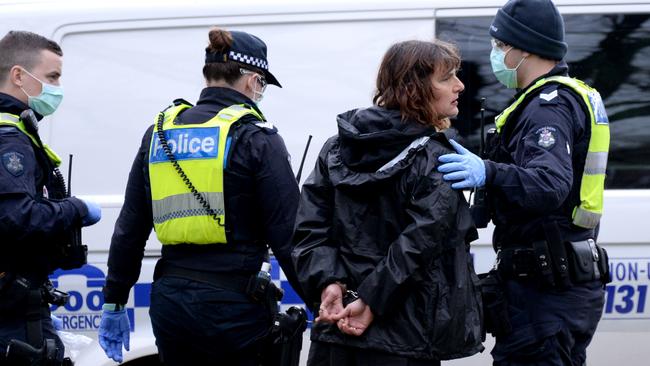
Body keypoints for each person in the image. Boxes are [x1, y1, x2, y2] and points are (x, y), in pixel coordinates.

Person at [98, 27, 304, 365]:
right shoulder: (256, 137)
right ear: (252, 81)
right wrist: (322, 301)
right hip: (234, 306)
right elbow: (288, 236)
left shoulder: (160, 134)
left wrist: (115, 300)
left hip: (171, 304)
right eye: (263, 84)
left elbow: (130, 229)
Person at [437, 1, 610, 365]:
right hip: (554, 285)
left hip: (546, 292)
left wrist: (489, 171)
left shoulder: (549, 106)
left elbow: (549, 185)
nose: (495, 54)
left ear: (524, 48)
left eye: (500, 46)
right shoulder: (558, 97)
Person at [292, 39, 483, 366]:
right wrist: (369, 300)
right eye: (446, 77)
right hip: (404, 338)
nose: (460, 85)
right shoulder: (437, 157)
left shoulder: (335, 147)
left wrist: (329, 283)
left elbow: (309, 229)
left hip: (336, 332)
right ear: (416, 88)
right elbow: (419, 245)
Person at [0, 30, 101, 365]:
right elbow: (16, 216)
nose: (57, 87)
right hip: (13, 305)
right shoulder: (10, 139)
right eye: (52, 76)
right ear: (18, 75)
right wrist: (76, 208)